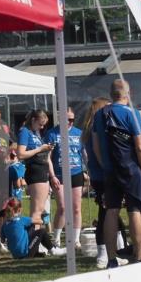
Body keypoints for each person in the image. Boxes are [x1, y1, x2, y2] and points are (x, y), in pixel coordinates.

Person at [93, 79, 141, 267]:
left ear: (111, 94)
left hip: (110, 171)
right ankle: (140, 257)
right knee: (134, 210)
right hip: (131, 169)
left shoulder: (100, 114)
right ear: (128, 93)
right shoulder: (131, 114)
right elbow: (140, 147)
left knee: (111, 210)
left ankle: (111, 258)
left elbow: (96, 146)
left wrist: (105, 165)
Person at [45, 106, 85, 250]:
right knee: (62, 207)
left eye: (72, 119)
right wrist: (52, 176)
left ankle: (75, 240)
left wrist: (87, 170)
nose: (69, 122)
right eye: (66, 119)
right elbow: (47, 157)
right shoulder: (51, 134)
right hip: (59, 174)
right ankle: (56, 239)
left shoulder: (79, 133)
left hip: (76, 172)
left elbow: (84, 154)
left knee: (76, 208)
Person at [81, 97, 111, 268]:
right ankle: (103, 253)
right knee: (105, 214)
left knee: (108, 212)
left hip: (97, 176)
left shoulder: (89, 129)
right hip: (102, 175)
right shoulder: (96, 130)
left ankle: (114, 249)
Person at [16, 109, 53, 226]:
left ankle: (35, 239)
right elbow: (21, 154)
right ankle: (33, 241)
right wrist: (40, 149)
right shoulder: (25, 132)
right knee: (37, 212)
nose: (42, 127)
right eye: (40, 124)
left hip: (42, 170)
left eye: (43, 125)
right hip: (35, 171)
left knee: (40, 210)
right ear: (33, 120)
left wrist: (46, 149)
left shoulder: (35, 133)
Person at [0, 198, 66, 259]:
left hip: (15, 255)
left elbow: (2, 240)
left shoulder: (4, 225)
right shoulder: (22, 220)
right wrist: (42, 219)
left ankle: (36, 252)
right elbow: (40, 222)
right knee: (41, 231)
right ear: (19, 210)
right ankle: (53, 250)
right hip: (26, 253)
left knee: (29, 228)